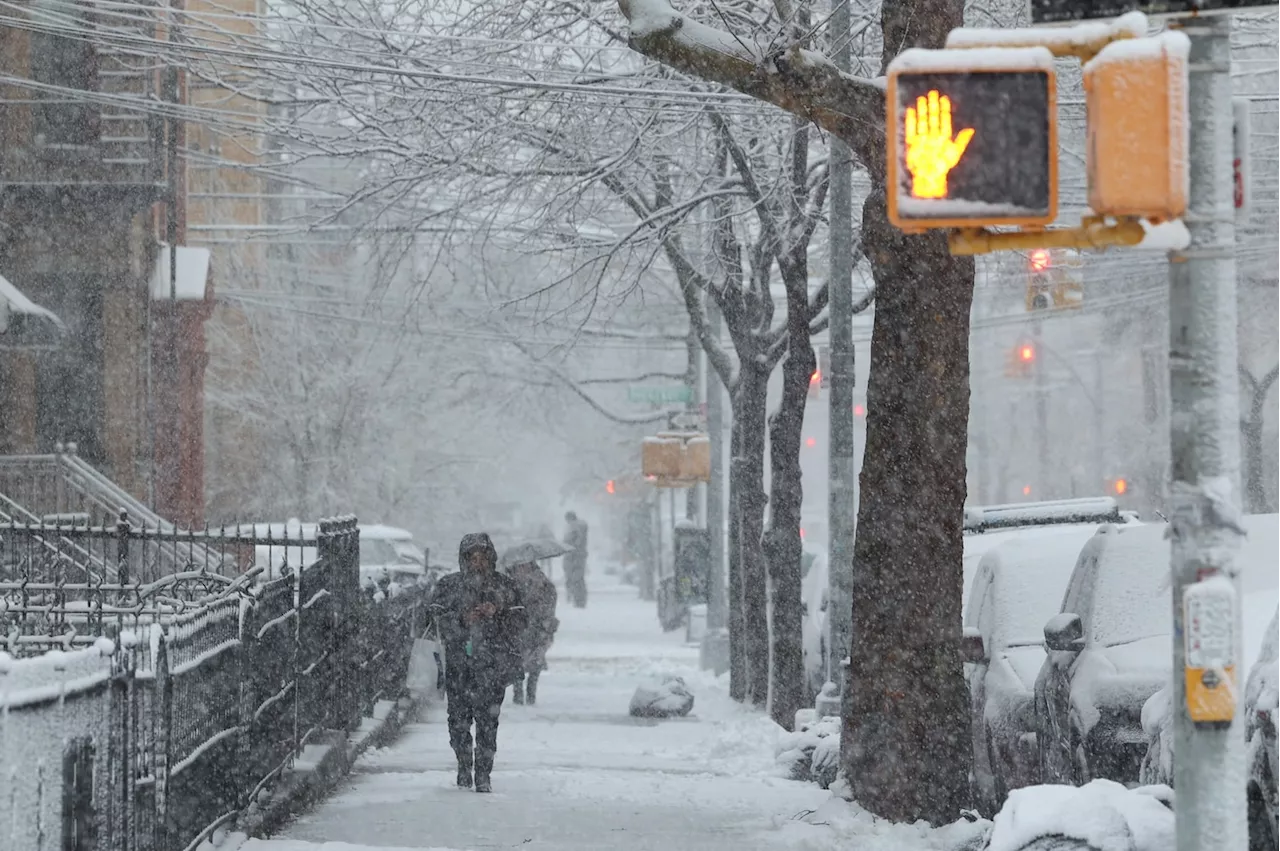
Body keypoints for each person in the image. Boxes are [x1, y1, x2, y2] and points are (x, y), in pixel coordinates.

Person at [426, 532, 526, 792]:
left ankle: (483, 773)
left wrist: (498, 612)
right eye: (472, 557)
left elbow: (521, 622)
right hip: (459, 666)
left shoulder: (505, 586)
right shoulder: (449, 586)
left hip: (493, 666)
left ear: (490, 558)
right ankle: (463, 765)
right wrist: (462, 620)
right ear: (464, 559)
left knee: (488, 723)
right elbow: (433, 621)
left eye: (482, 557)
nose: (477, 563)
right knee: (458, 721)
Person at [507, 560, 559, 706]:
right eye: (519, 566)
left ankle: (531, 694)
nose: (521, 569)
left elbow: (550, 604)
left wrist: (537, 611)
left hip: (538, 628)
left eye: (524, 566)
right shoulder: (509, 584)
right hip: (517, 628)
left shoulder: (544, 584)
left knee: (535, 662)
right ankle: (518, 695)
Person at [562, 511, 589, 608]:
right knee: (579, 578)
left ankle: (578, 599)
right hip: (579, 556)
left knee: (575, 578)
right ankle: (580, 600)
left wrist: (570, 546)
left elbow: (576, 541)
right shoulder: (580, 526)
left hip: (574, 556)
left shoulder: (574, 527)